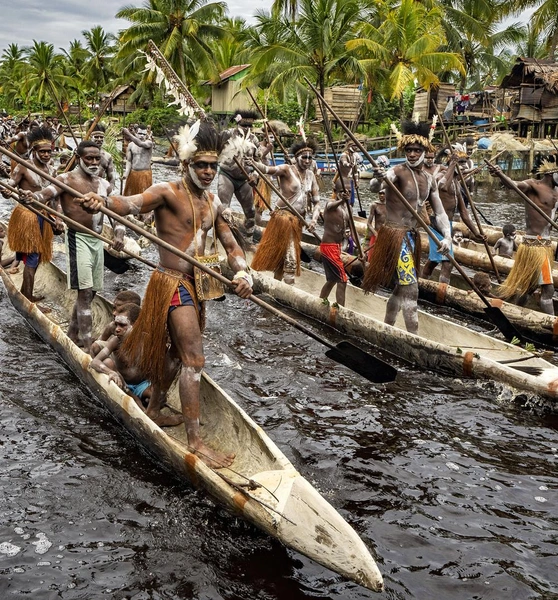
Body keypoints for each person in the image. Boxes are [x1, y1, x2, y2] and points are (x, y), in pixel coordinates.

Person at [82, 120, 253, 468]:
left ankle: (156, 409)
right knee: (194, 360)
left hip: (200, 285)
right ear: (187, 163)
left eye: (212, 166)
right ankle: (195, 443)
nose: (207, 171)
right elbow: (130, 203)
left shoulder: (214, 204)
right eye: (201, 165)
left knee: (175, 356)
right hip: (172, 284)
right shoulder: (167, 192)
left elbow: (232, 245)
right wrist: (103, 201)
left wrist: (244, 272)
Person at [25, 141, 123, 351]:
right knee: (85, 292)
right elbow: (45, 195)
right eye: (89, 158)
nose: (94, 162)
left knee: (93, 292)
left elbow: (116, 214)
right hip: (77, 238)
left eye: (97, 158)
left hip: (97, 241)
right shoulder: (66, 179)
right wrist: (30, 197)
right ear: (79, 158)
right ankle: (87, 345)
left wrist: (119, 235)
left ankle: (71, 333)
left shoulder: (104, 184)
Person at [364, 118, 452, 334]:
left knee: (400, 288)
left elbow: (440, 213)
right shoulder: (397, 172)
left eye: (416, 150)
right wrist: (377, 178)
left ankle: (387, 327)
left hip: (411, 237)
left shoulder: (429, 180)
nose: (412, 154)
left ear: (425, 150)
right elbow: (376, 185)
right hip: (394, 238)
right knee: (411, 288)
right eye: (409, 150)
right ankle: (413, 336)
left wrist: (447, 237)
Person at [488, 158, 558, 315]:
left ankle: (514, 314)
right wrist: (500, 175)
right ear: (552, 172)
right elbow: (514, 185)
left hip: (545, 245)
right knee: (548, 289)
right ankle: (553, 326)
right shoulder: (533, 185)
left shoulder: (556, 193)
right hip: (534, 246)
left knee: (528, 288)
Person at [248, 139, 321, 284]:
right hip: (283, 219)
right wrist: (254, 164)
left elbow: (317, 202)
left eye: (310, 157)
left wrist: (314, 220)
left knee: (283, 257)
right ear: (296, 158)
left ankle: (278, 287)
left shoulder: (311, 176)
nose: (307, 160)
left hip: (298, 221)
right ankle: (289, 288)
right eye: (304, 157)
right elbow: (268, 170)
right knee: (291, 260)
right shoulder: (287, 169)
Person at [2, 126, 60, 305]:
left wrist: (57, 218)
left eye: (48, 152)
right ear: (33, 150)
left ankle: (24, 288)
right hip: (27, 216)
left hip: (44, 215)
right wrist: (6, 190)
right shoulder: (23, 167)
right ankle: (27, 296)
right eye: (42, 152)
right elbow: (10, 184)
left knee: (32, 256)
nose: (46, 155)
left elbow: (55, 196)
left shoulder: (51, 169)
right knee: (33, 257)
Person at [421, 150, 483, 284]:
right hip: (435, 222)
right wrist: (452, 166)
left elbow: (464, 213)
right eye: (460, 162)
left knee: (434, 260)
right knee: (447, 262)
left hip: (447, 225)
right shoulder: (441, 176)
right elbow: (441, 186)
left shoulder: (457, 183)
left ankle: (422, 281)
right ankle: (441, 294)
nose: (464, 166)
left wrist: (475, 233)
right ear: (452, 163)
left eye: (465, 163)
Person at [90, 303, 152, 408]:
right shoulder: (116, 341)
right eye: (116, 324)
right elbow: (95, 362)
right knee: (107, 363)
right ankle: (135, 398)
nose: (117, 329)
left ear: (136, 325)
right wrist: (110, 372)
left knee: (157, 396)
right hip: (123, 383)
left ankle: (143, 401)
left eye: (122, 325)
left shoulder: (147, 340)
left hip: (142, 384)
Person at [218, 110, 261, 243]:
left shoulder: (254, 139)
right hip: (227, 175)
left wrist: (255, 175)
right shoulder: (228, 134)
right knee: (224, 209)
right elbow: (215, 149)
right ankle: (221, 241)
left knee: (251, 212)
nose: (247, 129)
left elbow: (258, 161)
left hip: (244, 179)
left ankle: (248, 241)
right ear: (238, 123)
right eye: (244, 125)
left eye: (250, 126)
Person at [319, 187, 350, 307]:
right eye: (341, 191)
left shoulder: (347, 208)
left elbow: (348, 227)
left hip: (337, 247)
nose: (344, 193)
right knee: (342, 280)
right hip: (329, 246)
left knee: (332, 279)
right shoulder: (330, 203)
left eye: (347, 192)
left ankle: (321, 301)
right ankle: (341, 309)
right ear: (336, 192)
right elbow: (330, 207)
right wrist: (342, 200)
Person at [91, 289, 142, 355]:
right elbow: (99, 341)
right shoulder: (112, 326)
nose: (114, 313)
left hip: (136, 356)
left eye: (120, 310)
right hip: (118, 355)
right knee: (96, 347)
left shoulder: (142, 329)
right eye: (114, 308)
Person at [122, 124, 153, 196]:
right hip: (133, 174)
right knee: (130, 196)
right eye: (140, 133)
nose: (142, 136)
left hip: (145, 174)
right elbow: (129, 161)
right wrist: (126, 173)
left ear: (146, 135)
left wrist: (128, 134)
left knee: (144, 197)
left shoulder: (149, 143)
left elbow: (140, 144)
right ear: (136, 132)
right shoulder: (131, 145)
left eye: (144, 134)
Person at [364, 187, 387, 260]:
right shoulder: (374, 205)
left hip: (386, 234)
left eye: (383, 193)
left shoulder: (390, 205)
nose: (382, 195)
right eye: (380, 193)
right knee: (372, 257)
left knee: (384, 256)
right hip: (376, 234)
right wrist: (375, 233)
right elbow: (368, 223)